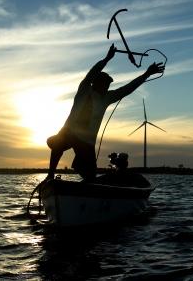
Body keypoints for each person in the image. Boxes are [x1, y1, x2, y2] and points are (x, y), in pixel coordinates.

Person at [45, 44, 164, 182]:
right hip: (69, 132)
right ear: (96, 83)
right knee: (58, 141)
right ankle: (50, 175)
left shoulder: (106, 98)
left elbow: (127, 89)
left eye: (108, 85)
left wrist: (146, 74)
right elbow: (91, 74)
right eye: (105, 83)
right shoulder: (84, 90)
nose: (107, 87)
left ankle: (80, 171)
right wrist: (107, 59)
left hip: (87, 143)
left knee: (90, 177)